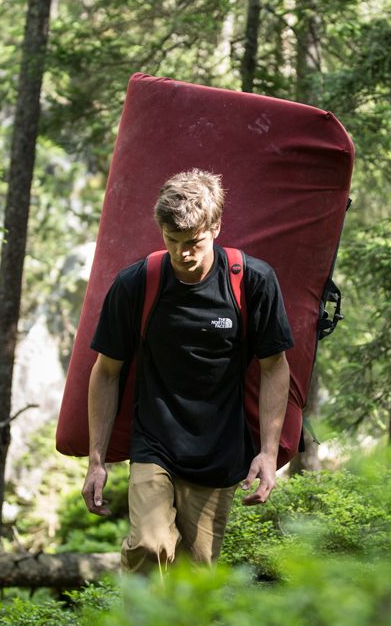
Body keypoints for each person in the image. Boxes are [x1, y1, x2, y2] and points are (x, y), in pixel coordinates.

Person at [80, 169, 293, 573]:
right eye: (172, 241)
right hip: (154, 444)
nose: (183, 254)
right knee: (148, 545)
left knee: (194, 578)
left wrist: (267, 452)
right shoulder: (137, 284)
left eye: (192, 242)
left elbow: (274, 368)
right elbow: (106, 371)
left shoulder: (253, 282)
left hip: (219, 451)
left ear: (215, 227)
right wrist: (96, 460)